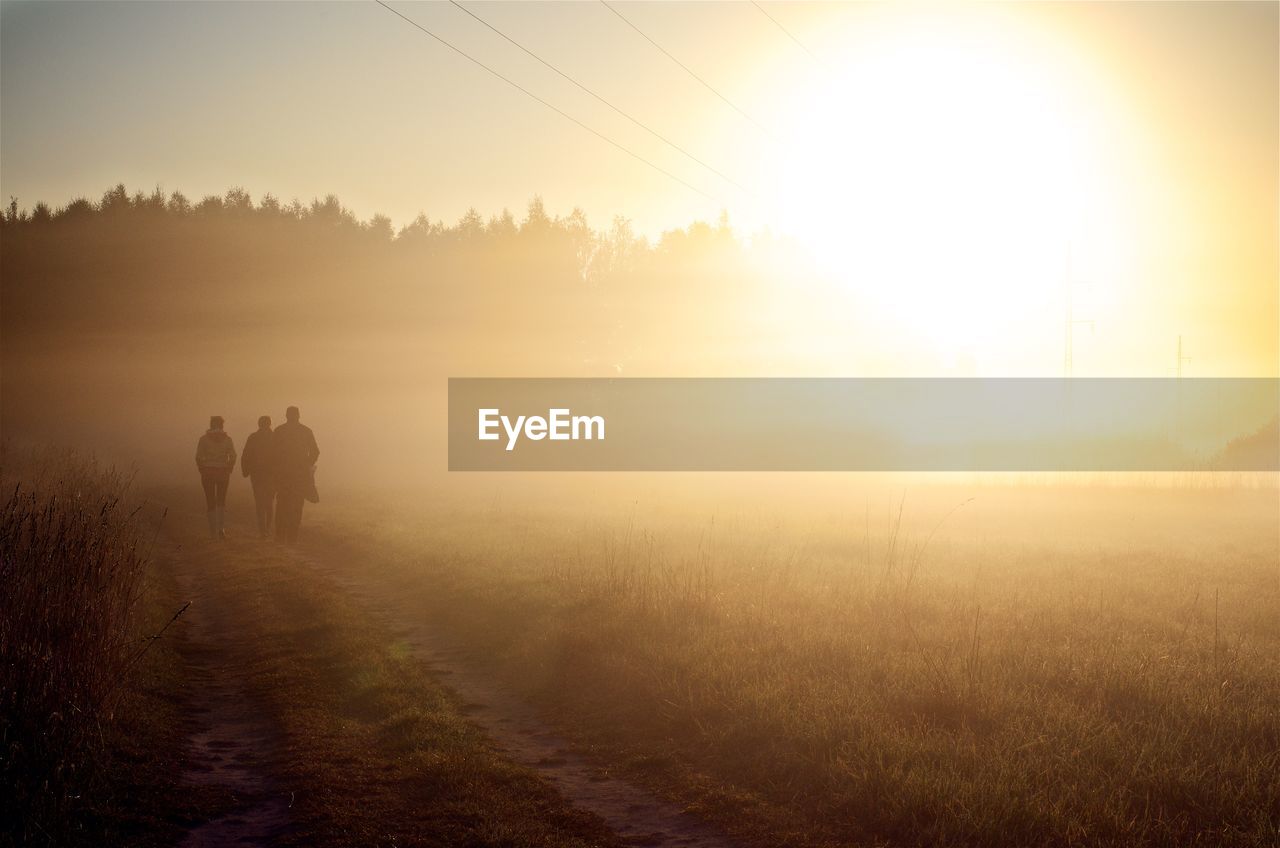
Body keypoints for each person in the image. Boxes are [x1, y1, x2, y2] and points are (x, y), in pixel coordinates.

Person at [273, 406, 319, 543]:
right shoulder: (306, 431)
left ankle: (280, 535)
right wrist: (306, 464)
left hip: (283, 475)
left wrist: (277, 468)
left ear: (286, 415)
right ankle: (292, 536)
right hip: (300, 475)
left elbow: (272, 453)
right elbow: (315, 452)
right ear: (299, 415)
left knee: (282, 504)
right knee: (297, 506)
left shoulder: (279, 431)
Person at [195, 415, 237, 540]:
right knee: (221, 501)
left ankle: (212, 531)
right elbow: (233, 456)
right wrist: (229, 467)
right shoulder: (227, 439)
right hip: (223, 472)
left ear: (211, 425)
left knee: (210, 501)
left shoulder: (203, 439)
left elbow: (198, 456)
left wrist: (202, 468)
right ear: (222, 425)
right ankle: (221, 529)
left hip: (208, 472)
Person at [241, 415, 276, 538]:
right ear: (269, 424)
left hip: (257, 475)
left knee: (260, 503)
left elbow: (245, 455)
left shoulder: (253, 437)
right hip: (271, 475)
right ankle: (267, 527)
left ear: (259, 424)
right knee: (269, 502)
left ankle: (263, 530)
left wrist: (246, 471)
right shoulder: (274, 437)